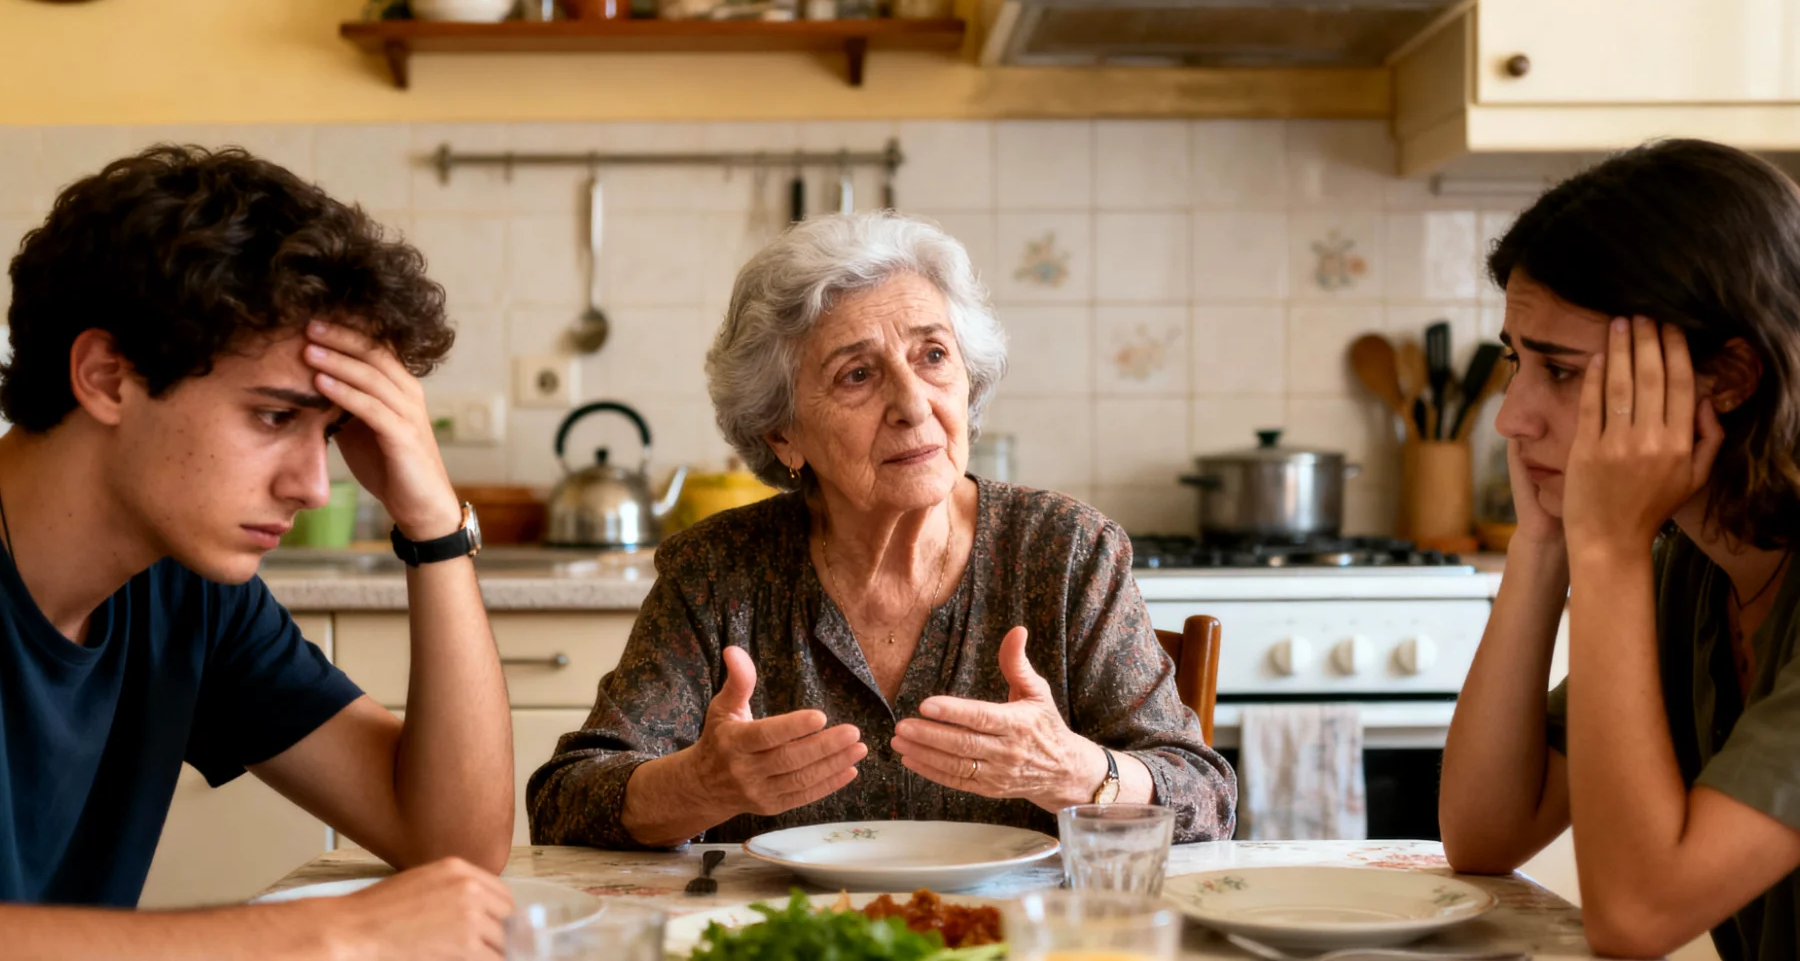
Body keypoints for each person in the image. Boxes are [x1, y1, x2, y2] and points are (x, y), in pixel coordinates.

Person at [528, 212, 1235, 850]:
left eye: (933, 356)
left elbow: (1208, 796)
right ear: (782, 432)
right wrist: (700, 783)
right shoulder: (719, 571)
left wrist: (1080, 771)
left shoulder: (1065, 551)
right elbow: (562, 802)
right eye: (857, 374)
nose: (911, 403)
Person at [0, 146, 515, 959]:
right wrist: (321, 932)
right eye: (276, 416)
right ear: (106, 376)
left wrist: (433, 523)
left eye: (332, 430)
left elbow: (453, 846)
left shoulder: (183, 588)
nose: (315, 487)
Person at [1439, 139, 1800, 960]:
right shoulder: (1697, 570)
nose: (1511, 417)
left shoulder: (1644, 559)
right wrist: (1544, 544)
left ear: (1729, 376)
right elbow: (1485, 833)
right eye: (1515, 362)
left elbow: (1634, 918)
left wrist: (1606, 549)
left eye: (1562, 372)